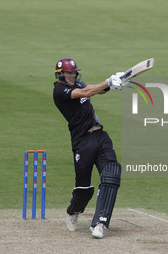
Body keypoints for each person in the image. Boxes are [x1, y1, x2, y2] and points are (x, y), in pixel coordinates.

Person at [52, 57, 125, 239]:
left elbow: (97, 91)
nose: (71, 75)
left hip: (100, 136)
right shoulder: (59, 91)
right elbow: (86, 93)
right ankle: (73, 211)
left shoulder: (77, 83)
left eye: (73, 72)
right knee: (84, 189)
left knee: (111, 175)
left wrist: (113, 85)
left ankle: (100, 223)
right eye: (68, 73)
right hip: (82, 141)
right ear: (60, 74)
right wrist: (107, 81)